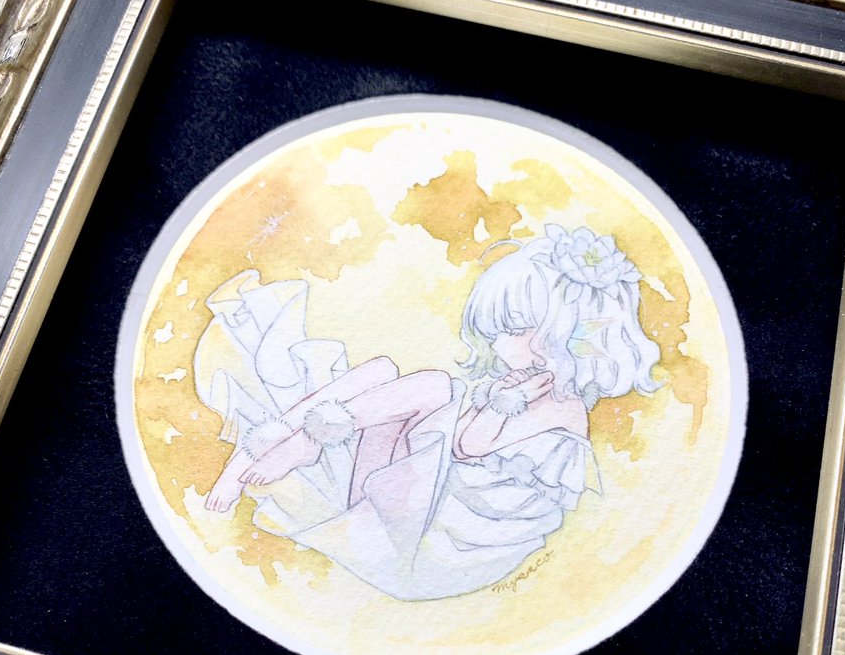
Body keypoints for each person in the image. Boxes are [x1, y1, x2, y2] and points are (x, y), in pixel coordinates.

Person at [197, 224, 661, 601]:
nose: (500, 345)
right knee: (380, 372)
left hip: (429, 546)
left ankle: (299, 441)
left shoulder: (563, 405)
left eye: (515, 330)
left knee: (433, 386)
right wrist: (496, 395)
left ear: (566, 335)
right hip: (401, 508)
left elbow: (469, 444)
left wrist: (501, 399)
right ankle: (275, 438)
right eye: (496, 331)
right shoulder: (521, 384)